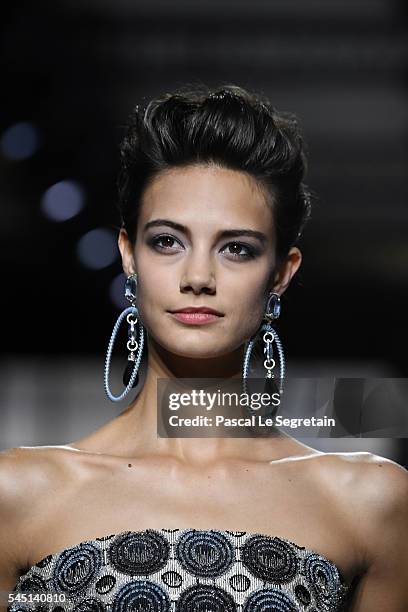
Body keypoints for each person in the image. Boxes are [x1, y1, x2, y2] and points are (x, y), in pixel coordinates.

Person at [1, 84, 407, 612]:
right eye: (167, 241)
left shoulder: (367, 502)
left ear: (281, 273)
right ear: (129, 255)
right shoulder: (17, 493)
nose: (198, 277)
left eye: (236, 249)